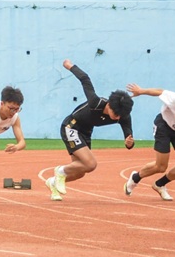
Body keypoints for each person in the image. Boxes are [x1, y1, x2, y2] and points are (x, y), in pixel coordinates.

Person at [47, 59, 134, 201]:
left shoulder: (123, 116)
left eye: (121, 116)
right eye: (116, 114)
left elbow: (128, 137)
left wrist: (129, 142)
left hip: (85, 132)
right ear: (109, 105)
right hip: (71, 127)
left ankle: (52, 183)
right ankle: (60, 171)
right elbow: (85, 79)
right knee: (91, 164)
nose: (117, 117)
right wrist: (70, 66)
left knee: (80, 171)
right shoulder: (96, 103)